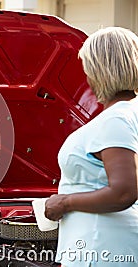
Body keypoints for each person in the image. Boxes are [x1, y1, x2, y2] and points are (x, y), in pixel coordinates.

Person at [45, 27, 138, 266]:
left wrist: (64, 202)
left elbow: (124, 192)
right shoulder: (129, 113)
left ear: (100, 70)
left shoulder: (116, 119)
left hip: (102, 250)